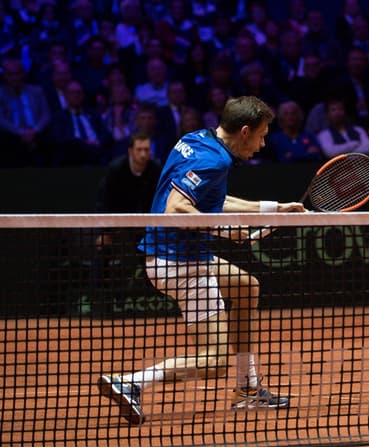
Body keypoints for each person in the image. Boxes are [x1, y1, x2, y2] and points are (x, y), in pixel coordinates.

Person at [97, 96, 305, 425]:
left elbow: (214, 201)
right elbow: (177, 208)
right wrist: (226, 232)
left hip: (171, 254)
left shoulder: (195, 139)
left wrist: (275, 208)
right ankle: (132, 382)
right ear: (245, 131)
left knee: (246, 286)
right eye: (262, 135)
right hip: (181, 265)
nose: (263, 144)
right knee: (216, 358)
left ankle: (248, 389)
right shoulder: (215, 162)